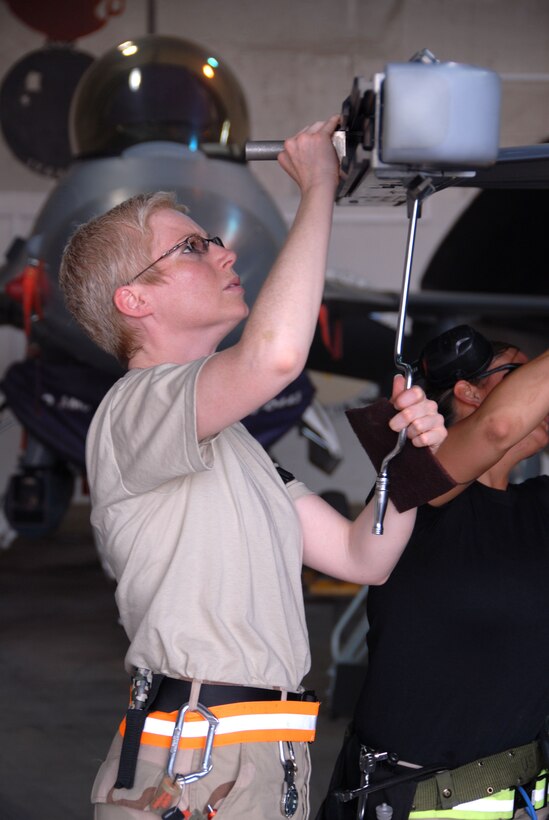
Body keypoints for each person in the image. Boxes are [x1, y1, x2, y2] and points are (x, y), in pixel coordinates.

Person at [59, 116, 447, 820]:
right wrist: (317, 189)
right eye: (192, 246)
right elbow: (274, 356)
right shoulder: (132, 412)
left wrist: (410, 460)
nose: (224, 252)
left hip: (264, 762)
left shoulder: (232, 445)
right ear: (134, 301)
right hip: (188, 769)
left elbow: (364, 555)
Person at [316, 324, 549, 820]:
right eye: (526, 374)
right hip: (406, 799)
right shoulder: (413, 486)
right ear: (466, 392)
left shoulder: (540, 506)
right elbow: (497, 427)